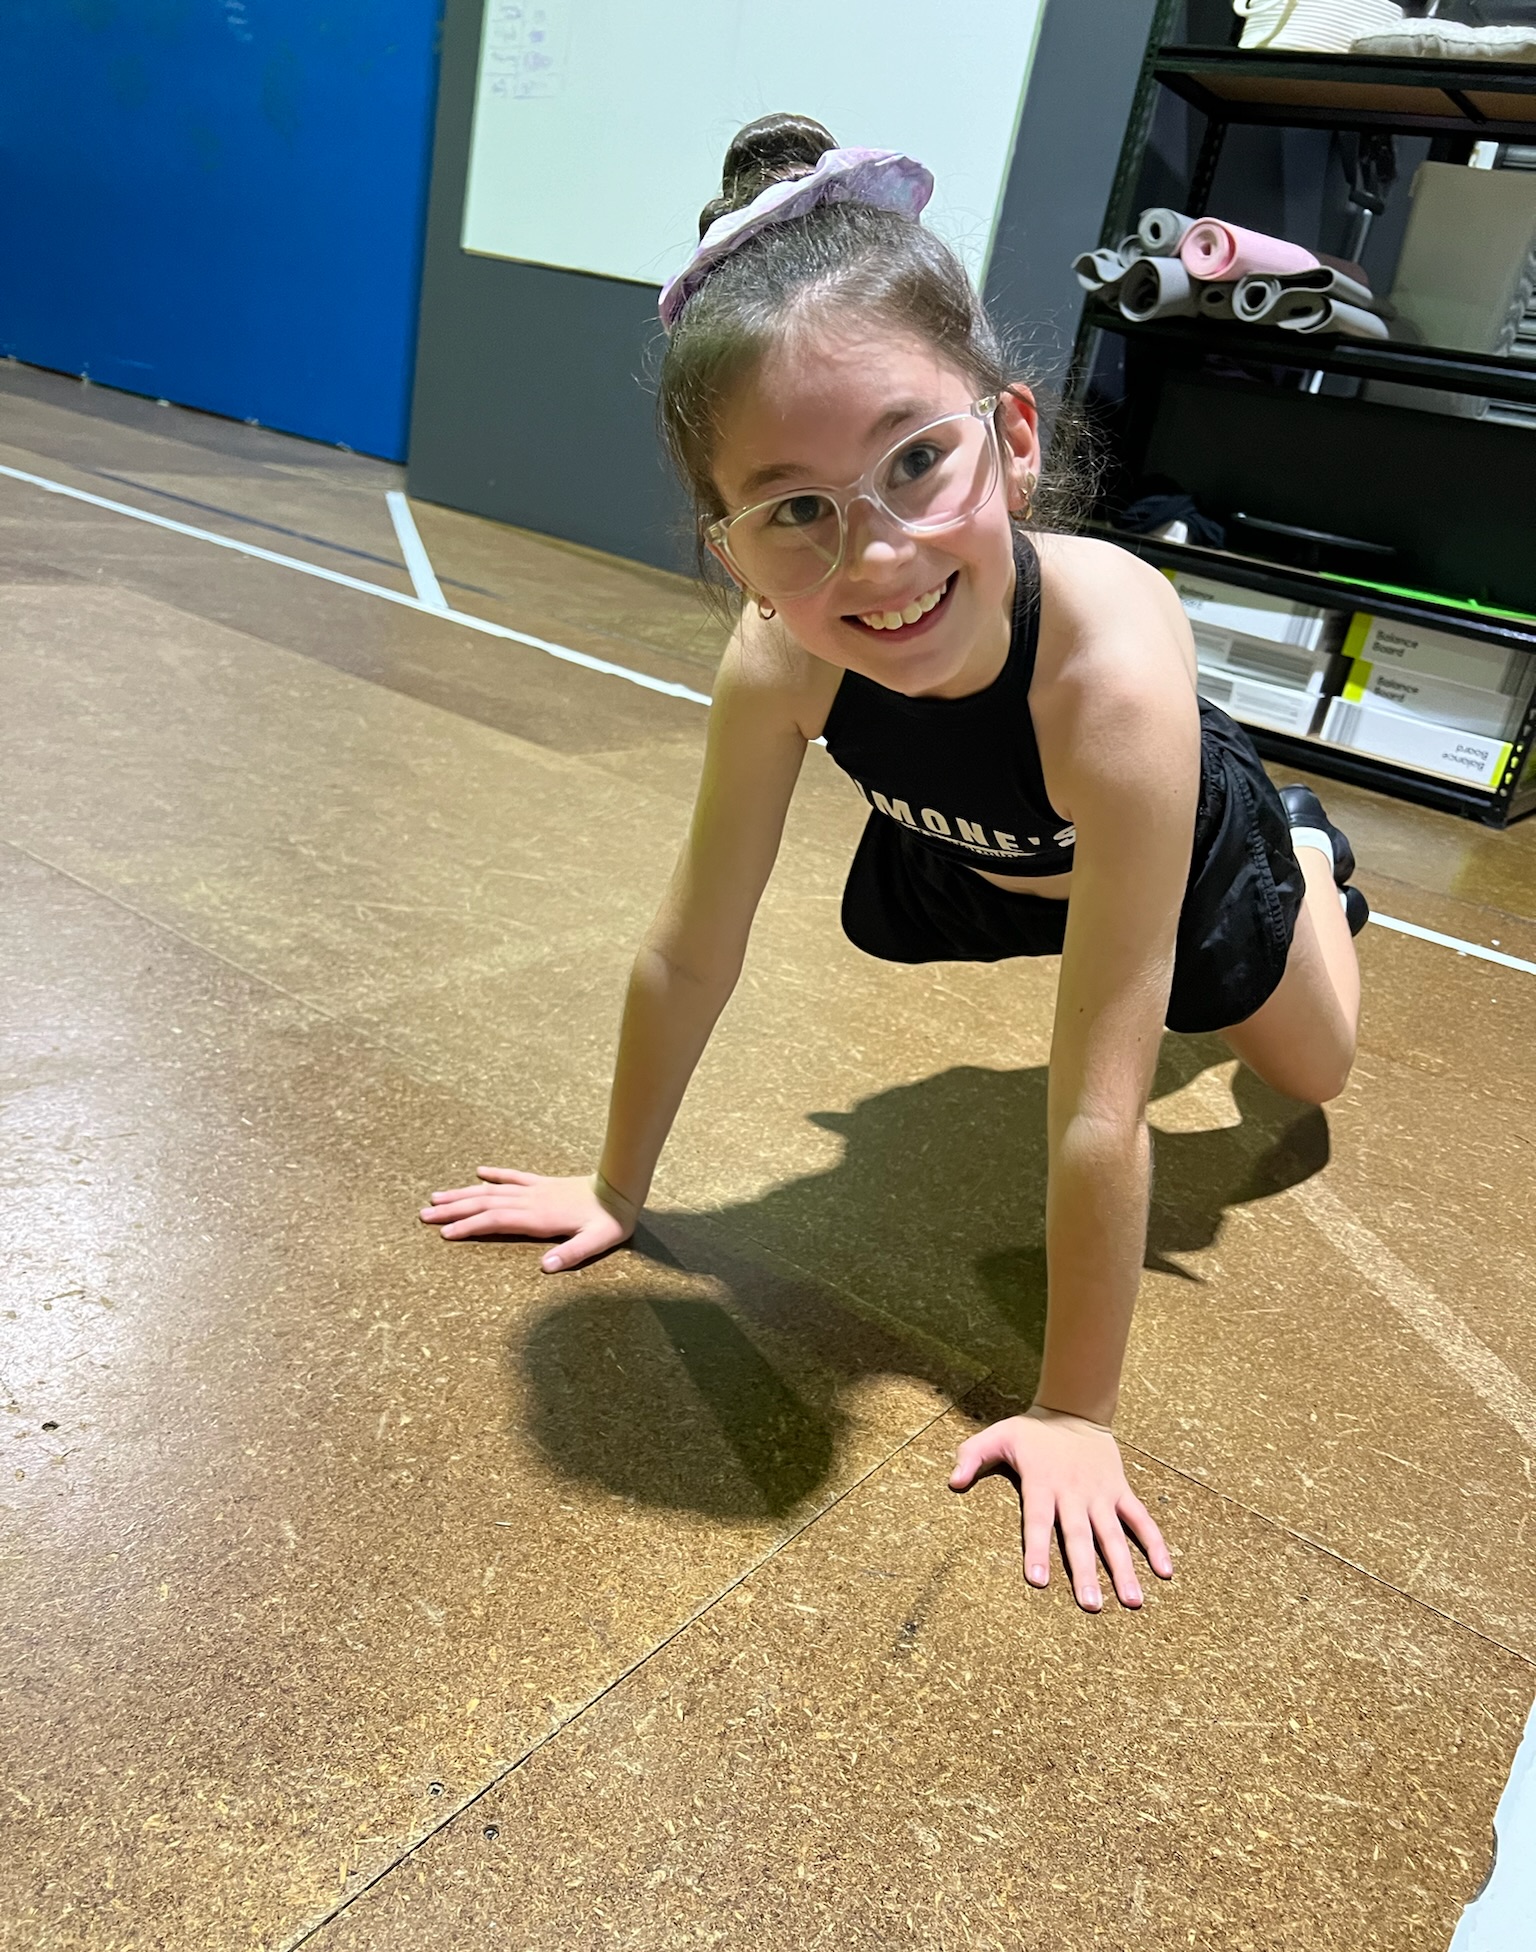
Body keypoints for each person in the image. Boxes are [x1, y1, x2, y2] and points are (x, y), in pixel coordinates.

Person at [421, 115, 1366, 1614]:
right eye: (796, 511)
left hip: (1176, 848)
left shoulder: (1110, 671)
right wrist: (619, 1187)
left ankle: (1309, 861)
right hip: (983, 856)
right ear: (728, 549)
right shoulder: (778, 663)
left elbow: (1102, 1099)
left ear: (1014, 435)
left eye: (916, 463)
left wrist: (1075, 1412)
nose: (873, 558)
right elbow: (690, 944)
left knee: (1305, 1078)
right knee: (1002, 927)